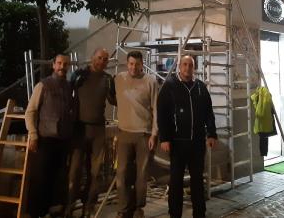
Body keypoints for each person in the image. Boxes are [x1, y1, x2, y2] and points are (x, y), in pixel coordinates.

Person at [157, 55, 217, 218]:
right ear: (179, 67)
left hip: (197, 144)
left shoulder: (200, 88)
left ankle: (200, 214)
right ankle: (174, 214)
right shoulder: (169, 86)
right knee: (176, 182)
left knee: (197, 181)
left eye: (190, 65)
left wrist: (211, 134)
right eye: (184, 64)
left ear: (194, 67)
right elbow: (162, 114)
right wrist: (164, 138)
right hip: (177, 143)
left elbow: (209, 113)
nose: (187, 68)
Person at [66, 48, 116, 217]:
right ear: (92, 58)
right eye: (100, 57)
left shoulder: (108, 80)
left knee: (95, 172)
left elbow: (114, 100)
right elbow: (67, 95)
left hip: (98, 131)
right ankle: (70, 205)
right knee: (75, 171)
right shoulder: (79, 75)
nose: (102, 61)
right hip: (80, 129)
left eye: (105, 59)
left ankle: (89, 206)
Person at [25, 54, 74, 218]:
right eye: (59, 63)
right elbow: (30, 111)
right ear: (53, 65)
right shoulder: (43, 85)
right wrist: (33, 135)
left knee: (57, 179)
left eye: (65, 64)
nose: (62, 66)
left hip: (63, 140)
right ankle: (35, 213)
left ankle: (51, 211)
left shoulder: (68, 87)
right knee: (41, 178)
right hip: (45, 140)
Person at [114, 51, 159, 218]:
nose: (134, 67)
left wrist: (154, 134)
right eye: (131, 63)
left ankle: (138, 208)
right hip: (124, 133)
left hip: (144, 134)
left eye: (137, 64)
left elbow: (156, 109)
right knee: (122, 173)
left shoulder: (151, 82)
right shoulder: (118, 79)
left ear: (142, 64)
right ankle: (123, 210)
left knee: (141, 175)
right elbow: (112, 97)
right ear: (127, 63)